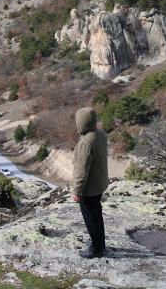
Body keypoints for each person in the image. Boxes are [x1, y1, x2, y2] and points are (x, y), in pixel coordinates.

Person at [71, 107, 109, 258]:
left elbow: (81, 171)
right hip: (99, 184)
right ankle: (100, 244)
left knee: (90, 218)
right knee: (97, 215)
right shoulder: (101, 134)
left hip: (89, 188)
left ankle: (97, 249)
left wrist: (76, 191)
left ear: (81, 124)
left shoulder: (85, 143)